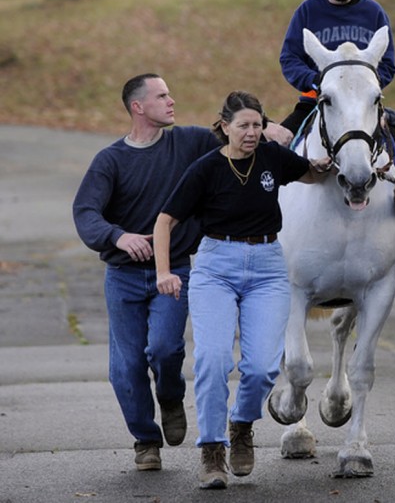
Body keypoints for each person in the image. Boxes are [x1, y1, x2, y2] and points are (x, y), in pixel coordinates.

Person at [153, 91, 332, 490]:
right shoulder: (205, 169)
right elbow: (164, 221)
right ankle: (212, 449)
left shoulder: (272, 158)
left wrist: (328, 164)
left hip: (268, 266)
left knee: (262, 367)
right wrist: (164, 271)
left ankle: (241, 426)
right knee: (214, 360)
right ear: (224, 127)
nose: (251, 133)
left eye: (257, 125)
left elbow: (311, 174)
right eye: (243, 126)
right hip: (216, 265)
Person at [72, 73, 220, 471]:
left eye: (170, 93)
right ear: (138, 107)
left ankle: (170, 396)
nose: (172, 101)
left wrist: (273, 126)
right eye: (162, 95)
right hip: (122, 277)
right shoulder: (110, 160)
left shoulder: (190, 142)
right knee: (126, 367)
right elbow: (85, 212)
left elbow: (238, 133)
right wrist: (117, 237)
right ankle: (145, 441)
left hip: (172, 272)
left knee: (166, 348)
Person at [264, 0, 395, 146]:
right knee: (272, 152)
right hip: (315, 102)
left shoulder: (374, 12)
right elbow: (289, 59)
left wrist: (362, 84)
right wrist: (316, 81)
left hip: (364, 107)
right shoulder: (306, 12)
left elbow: (388, 64)